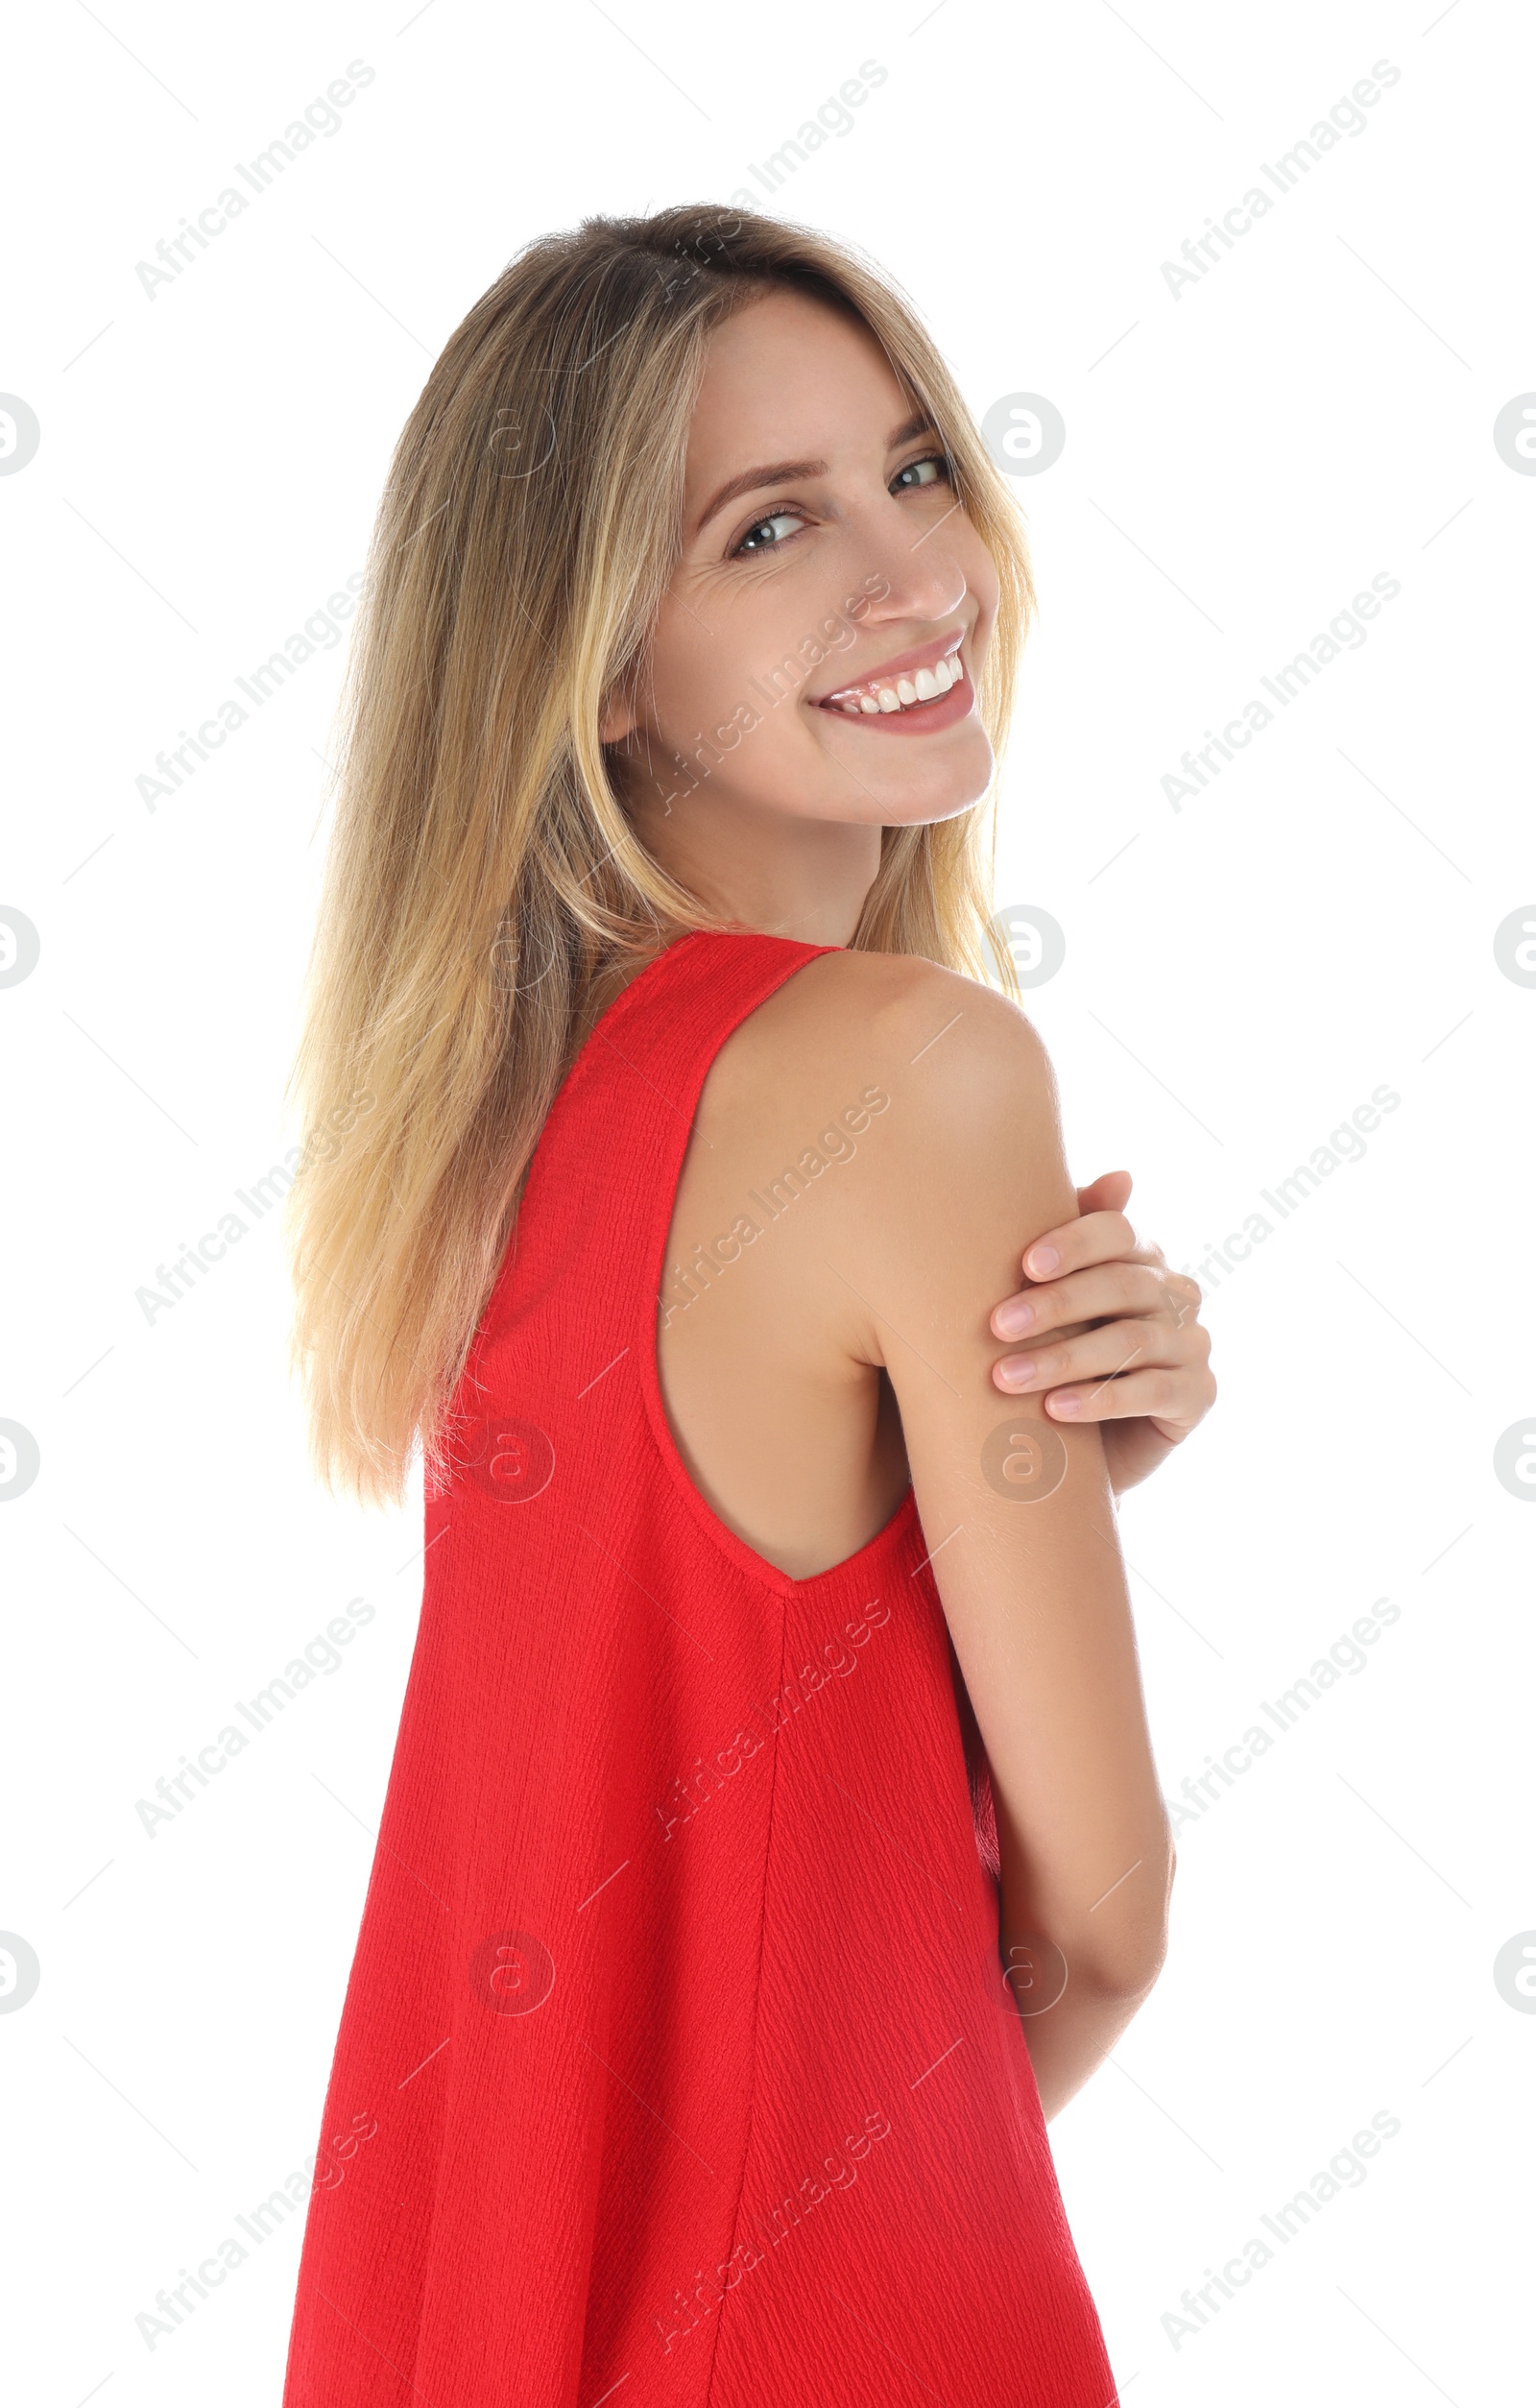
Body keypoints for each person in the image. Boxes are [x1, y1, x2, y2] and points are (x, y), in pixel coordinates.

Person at [279, 205, 1215, 2408]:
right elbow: (1098, 1925)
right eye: (765, 527)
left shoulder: (489, 1132)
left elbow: (693, 1793)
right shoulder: (913, 1068)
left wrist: (1032, 1492)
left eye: (912, 469)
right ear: (594, 661)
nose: (912, 577)